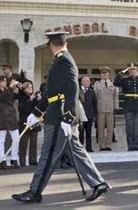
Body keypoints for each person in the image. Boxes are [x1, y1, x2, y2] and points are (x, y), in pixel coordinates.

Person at [12, 31, 109, 203]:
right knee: (77, 151)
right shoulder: (61, 60)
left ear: (51, 44)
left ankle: (35, 192)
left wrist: (68, 117)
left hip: (60, 116)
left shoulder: (64, 60)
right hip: (59, 113)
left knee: (48, 154)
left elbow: (72, 90)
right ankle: (98, 183)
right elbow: (51, 93)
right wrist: (36, 113)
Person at [114, 63, 138, 151]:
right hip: (129, 105)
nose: (132, 72)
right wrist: (121, 73)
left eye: (134, 70)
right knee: (129, 127)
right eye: (131, 70)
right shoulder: (125, 80)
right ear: (128, 71)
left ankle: (137, 144)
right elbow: (116, 83)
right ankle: (131, 145)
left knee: (137, 127)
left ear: (136, 71)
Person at [0, 76, 21, 169]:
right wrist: (10, 88)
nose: (5, 82)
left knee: (16, 138)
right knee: (1, 139)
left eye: (6, 81)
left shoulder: (9, 90)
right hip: (2, 117)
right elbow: (2, 97)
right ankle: (2, 159)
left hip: (11, 117)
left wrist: (19, 87)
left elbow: (17, 96)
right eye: (3, 81)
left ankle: (14, 158)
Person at [93, 66, 119, 151]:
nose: (105, 75)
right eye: (103, 73)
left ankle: (108, 144)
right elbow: (95, 97)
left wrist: (116, 107)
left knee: (110, 128)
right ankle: (102, 145)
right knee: (100, 128)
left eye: (106, 73)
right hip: (100, 109)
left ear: (108, 74)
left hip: (110, 109)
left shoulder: (113, 84)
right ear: (101, 74)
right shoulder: (97, 84)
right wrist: (95, 109)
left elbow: (115, 97)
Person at [18, 82, 41, 166]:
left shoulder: (34, 97)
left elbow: (37, 109)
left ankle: (33, 160)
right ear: (24, 89)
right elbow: (23, 109)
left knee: (34, 142)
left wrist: (38, 100)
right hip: (25, 123)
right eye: (28, 87)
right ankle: (22, 161)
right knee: (23, 143)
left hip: (34, 123)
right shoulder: (22, 97)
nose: (30, 89)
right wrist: (30, 100)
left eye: (31, 87)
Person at [79, 76, 97, 153]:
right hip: (80, 115)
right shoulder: (78, 91)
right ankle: (80, 148)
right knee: (81, 133)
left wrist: (95, 114)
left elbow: (94, 104)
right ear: (81, 82)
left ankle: (89, 148)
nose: (86, 82)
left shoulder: (92, 91)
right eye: (85, 81)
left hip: (89, 115)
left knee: (89, 133)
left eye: (88, 81)